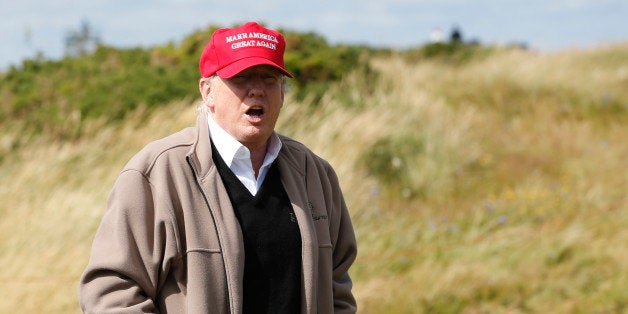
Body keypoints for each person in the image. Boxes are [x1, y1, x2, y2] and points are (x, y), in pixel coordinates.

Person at [79, 21, 357, 313]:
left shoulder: (315, 173)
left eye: (269, 78)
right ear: (207, 91)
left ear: (283, 93)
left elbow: (337, 285)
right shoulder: (157, 173)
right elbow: (111, 292)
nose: (257, 90)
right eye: (241, 78)